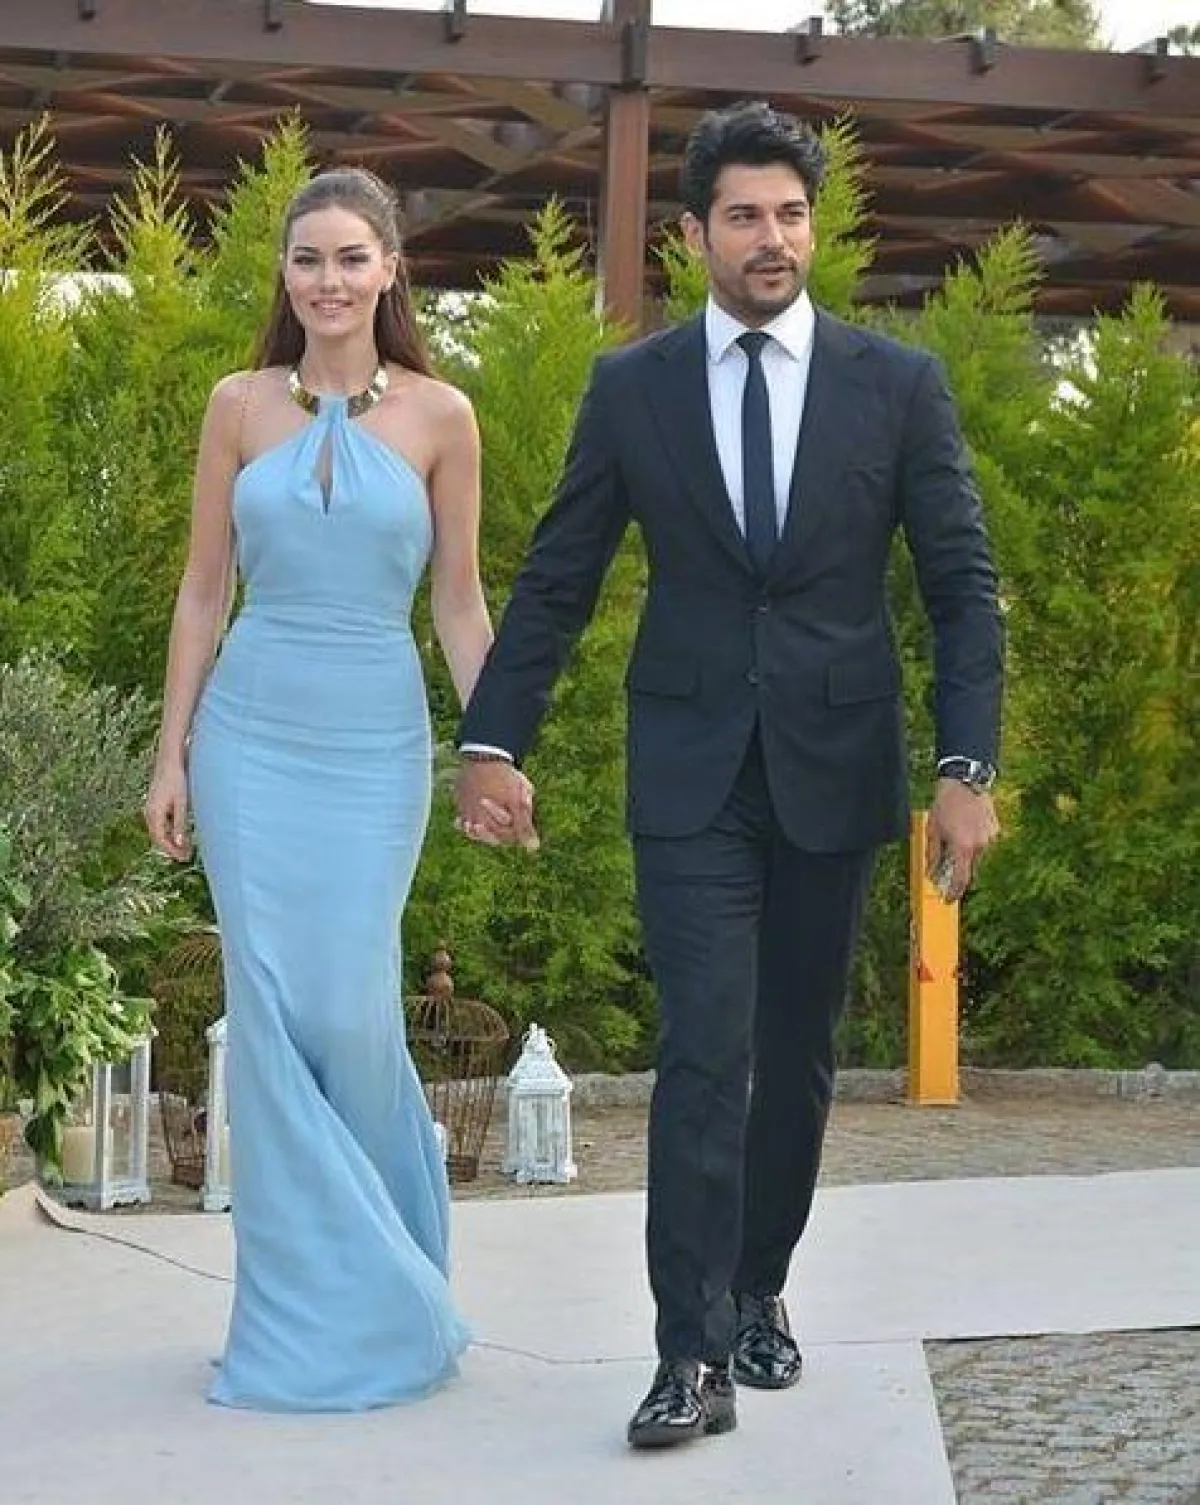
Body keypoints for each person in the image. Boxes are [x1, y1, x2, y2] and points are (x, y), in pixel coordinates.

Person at [454, 101, 1003, 1449]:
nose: (773, 237)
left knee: (798, 1051)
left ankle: (760, 1286)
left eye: (791, 214)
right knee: (705, 1045)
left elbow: (961, 586)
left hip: (836, 764)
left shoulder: (896, 385)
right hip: (691, 766)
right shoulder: (631, 389)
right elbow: (560, 576)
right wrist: (492, 738)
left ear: (814, 227)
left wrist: (965, 766)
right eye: (746, 215)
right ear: (695, 232)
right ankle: (688, 1352)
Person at [144, 167, 509, 1411]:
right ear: (285, 275)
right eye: (308, 259)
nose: (330, 280)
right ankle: (299, 1318)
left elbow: (460, 605)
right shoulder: (236, 404)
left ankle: (391, 1280)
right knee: (268, 1016)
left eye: (353, 256)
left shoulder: (444, 417)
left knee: (350, 1011)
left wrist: (496, 745)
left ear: (392, 268)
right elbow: (204, 591)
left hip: (372, 745)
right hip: (249, 738)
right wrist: (171, 752)